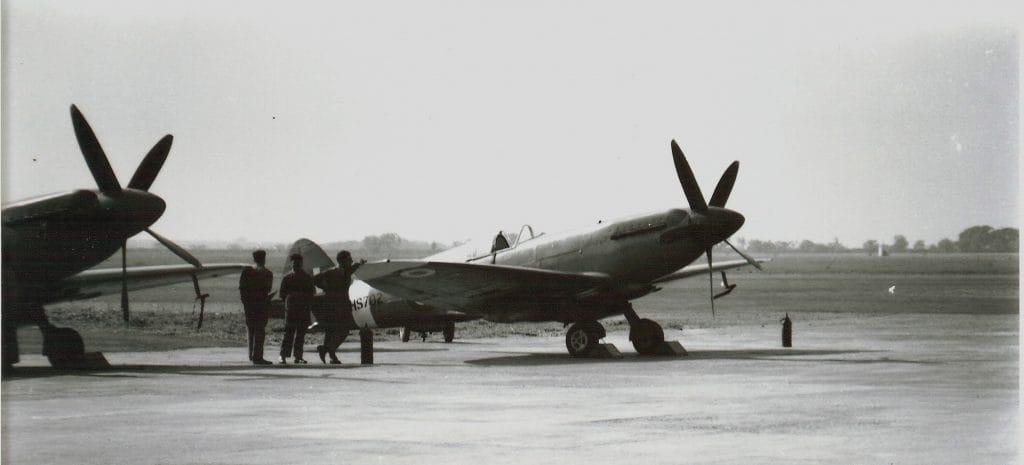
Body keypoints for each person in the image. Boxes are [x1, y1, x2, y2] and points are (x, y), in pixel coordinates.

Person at [313, 251, 366, 364]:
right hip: (333, 305)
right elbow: (315, 279)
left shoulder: (346, 271)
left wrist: (360, 263)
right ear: (342, 261)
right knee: (342, 330)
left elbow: (354, 266)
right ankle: (329, 351)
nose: (351, 261)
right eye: (349, 259)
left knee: (334, 330)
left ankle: (329, 353)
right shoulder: (331, 272)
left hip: (341, 304)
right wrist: (326, 288)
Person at [278, 253, 315, 364]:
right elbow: (282, 294)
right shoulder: (288, 278)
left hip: (301, 309)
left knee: (300, 335)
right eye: (294, 263)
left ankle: (297, 356)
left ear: (301, 263)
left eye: (297, 263)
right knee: (289, 334)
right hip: (293, 310)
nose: (296, 265)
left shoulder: (306, 278)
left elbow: (311, 293)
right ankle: (283, 355)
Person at [239, 249, 274, 365]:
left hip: (249, 305)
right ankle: (257, 356)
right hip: (262, 305)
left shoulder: (246, 271)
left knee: (250, 329)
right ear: (264, 259)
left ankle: (251, 355)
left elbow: (242, 289)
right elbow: (268, 290)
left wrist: (246, 303)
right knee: (259, 331)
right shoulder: (268, 273)